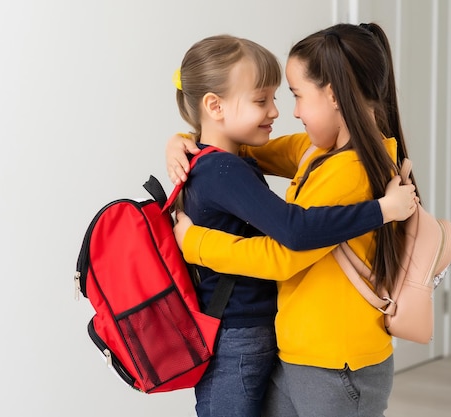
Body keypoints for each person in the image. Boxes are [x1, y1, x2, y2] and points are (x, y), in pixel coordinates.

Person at [169, 23, 417, 417]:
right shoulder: (319, 150)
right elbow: (246, 151)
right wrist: (188, 140)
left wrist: (194, 242)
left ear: (333, 95)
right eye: (267, 99)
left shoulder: (350, 169)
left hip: (336, 360)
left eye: (297, 95)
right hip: (306, 351)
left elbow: (287, 247)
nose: (291, 111)